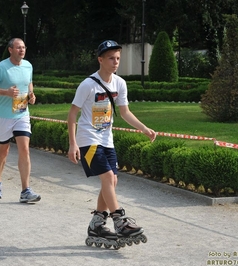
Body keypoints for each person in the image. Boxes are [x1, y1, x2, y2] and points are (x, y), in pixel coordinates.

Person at [67, 40, 156, 247]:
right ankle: (119, 220)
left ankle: (97, 224)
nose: (115, 62)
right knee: (107, 177)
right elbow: (72, 115)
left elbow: (124, 112)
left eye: (118, 58)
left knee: (112, 181)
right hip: (88, 139)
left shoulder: (120, 83)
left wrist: (144, 128)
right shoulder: (88, 84)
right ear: (100, 60)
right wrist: (72, 144)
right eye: (111, 58)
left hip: (107, 139)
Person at [0, 38, 41, 203]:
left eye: (23, 47)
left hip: (22, 114)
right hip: (4, 116)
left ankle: (25, 190)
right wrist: (5, 92)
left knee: (25, 149)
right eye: (18, 48)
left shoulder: (28, 65)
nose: (21, 50)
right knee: (4, 151)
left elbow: (29, 83)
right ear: (10, 50)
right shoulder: (1, 68)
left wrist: (31, 95)